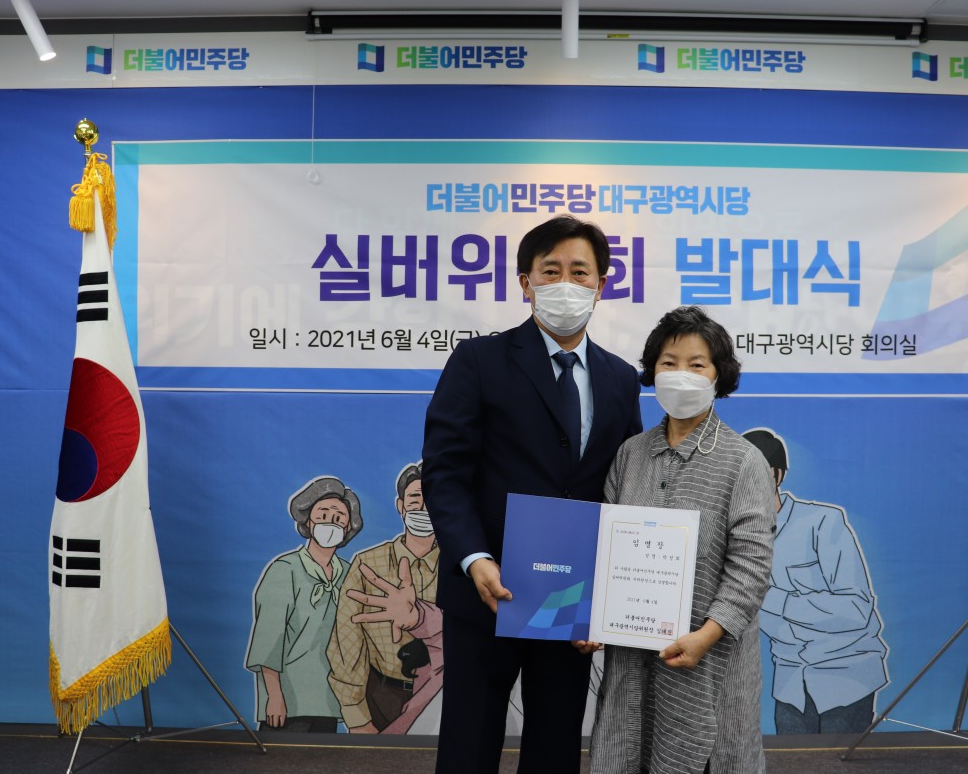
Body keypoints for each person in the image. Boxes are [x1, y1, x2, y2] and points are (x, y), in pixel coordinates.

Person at [422, 214, 643, 774]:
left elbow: (625, 488)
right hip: (487, 591)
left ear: (601, 284)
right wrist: (474, 558)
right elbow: (445, 472)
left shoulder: (621, 379)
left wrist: (609, 597)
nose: (566, 283)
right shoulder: (478, 361)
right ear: (526, 282)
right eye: (551, 270)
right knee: (469, 744)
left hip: (571, 600)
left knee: (556, 744)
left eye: (580, 272)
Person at [589, 305, 777, 774]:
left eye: (697, 364)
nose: (681, 375)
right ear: (652, 371)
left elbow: (751, 569)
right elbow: (603, 546)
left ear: (718, 375)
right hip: (632, 657)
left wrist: (705, 636)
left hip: (708, 660)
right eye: (669, 363)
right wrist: (591, 618)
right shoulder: (630, 454)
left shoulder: (743, 460)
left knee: (707, 753)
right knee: (628, 750)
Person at [741, 428, 889, 735]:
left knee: (839, 759)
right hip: (789, 682)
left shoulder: (822, 521)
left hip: (845, 676)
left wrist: (769, 596)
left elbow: (855, 610)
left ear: (778, 475)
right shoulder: (737, 537)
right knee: (791, 758)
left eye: (757, 473)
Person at [327, 461, 442, 734]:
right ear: (401, 506)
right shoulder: (368, 563)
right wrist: (356, 717)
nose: (423, 508)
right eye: (415, 499)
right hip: (382, 694)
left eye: (433, 499)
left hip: (442, 692)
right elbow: (347, 641)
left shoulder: (461, 566)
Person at [246, 476, 363, 733]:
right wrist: (274, 696)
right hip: (288, 701)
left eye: (339, 518)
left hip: (330, 700)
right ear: (308, 520)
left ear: (348, 528)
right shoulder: (284, 569)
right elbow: (268, 639)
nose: (331, 522)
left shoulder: (349, 574)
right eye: (323, 514)